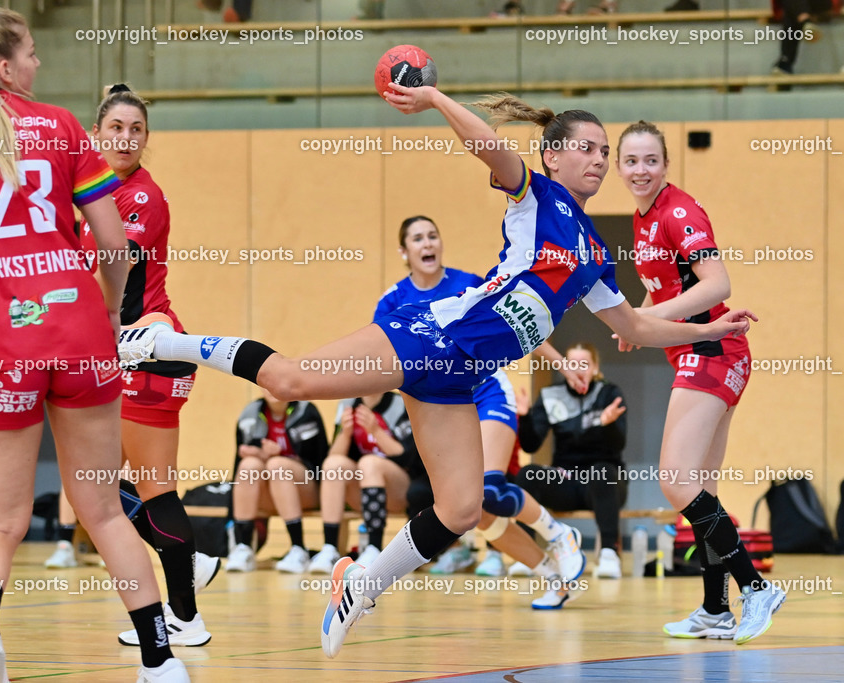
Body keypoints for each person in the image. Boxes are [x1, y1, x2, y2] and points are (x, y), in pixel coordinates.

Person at [116, 84, 756, 659]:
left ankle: (361, 583)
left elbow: (636, 328)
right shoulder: (537, 195)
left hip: (458, 377)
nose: (597, 159)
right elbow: (487, 146)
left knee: (460, 507)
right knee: (290, 382)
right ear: (553, 156)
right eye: (585, 148)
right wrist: (435, 98)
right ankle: (166, 341)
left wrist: (707, 330)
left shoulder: (592, 250)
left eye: (603, 151)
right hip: (426, 336)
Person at [0, 6, 188, 681]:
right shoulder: (61, 125)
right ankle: (160, 658)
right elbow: (114, 244)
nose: (38, 61)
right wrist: (107, 312)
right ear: (4, 65)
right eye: (29, 51)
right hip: (79, 325)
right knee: (105, 511)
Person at [616, 120, 785, 643]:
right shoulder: (644, 218)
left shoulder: (679, 212)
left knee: (675, 479)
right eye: (631, 161)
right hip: (699, 352)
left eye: (650, 160)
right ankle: (715, 608)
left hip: (712, 350)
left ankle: (756, 588)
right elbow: (665, 284)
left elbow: (716, 283)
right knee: (701, 486)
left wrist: (644, 319)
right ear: (619, 167)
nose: (641, 170)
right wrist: (638, 321)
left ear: (666, 164)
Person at [370, 214, 587, 610]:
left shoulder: (466, 283)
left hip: (486, 390)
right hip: (440, 406)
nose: (427, 243)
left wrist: (561, 363)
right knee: (475, 512)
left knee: (489, 489)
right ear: (404, 252)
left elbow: (518, 323)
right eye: (417, 238)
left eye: (432, 235)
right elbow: (383, 359)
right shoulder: (392, 301)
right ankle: (552, 577)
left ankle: (560, 535)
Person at [80, 83, 219, 650]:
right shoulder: (90, 192)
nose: (126, 138)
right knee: (93, 489)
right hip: (121, 351)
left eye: (135, 129)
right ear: (96, 133)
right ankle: (189, 566)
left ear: (146, 138)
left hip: (147, 348)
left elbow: (114, 267)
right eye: (116, 128)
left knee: (152, 492)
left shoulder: (141, 196)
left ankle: (186, 613)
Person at [515, 342, 628, 579]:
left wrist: (607, 425)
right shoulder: (550, 396)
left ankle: (609, 554)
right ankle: (526, 556)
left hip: (604, 483)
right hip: (566, 481)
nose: (578, 369)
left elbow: (618, 445)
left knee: (602, 472)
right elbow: (531, 445)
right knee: (527, 474)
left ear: (595, 367)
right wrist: (524, 418)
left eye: (584, 364)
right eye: (572, 364)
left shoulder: (609, 393)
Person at [309, 391, 421, 573]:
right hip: (364, 491)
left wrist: (376, 431)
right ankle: (330, 549)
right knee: (333, 465)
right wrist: (345, 434)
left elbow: (407, 457)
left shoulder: (400, 404)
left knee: (369, 463)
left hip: (399, 490)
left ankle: (374, 548)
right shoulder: (347, 404)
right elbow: (333, 455)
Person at [228, 387, 328, 573]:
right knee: (248, 465)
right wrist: (259, 454)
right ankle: (243, 547)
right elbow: (237, 469)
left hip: (306, 489)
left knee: (277, 466)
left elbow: (320, 460)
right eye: (267, 383)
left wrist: (281, 454)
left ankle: (298, 548)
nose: (272, 388)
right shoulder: (250, 413)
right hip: (268, 493)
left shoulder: (306, 412)